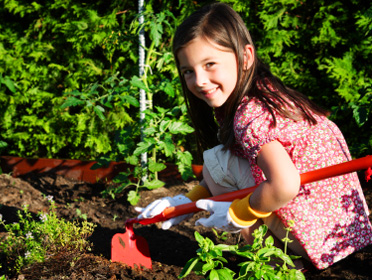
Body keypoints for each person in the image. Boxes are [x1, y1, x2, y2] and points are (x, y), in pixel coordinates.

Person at [135, 2, 372, 270]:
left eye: (210, 64)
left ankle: (270, 264)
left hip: (315, 233)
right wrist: (185, 202)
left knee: (216, 160)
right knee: (221, 160)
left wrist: (239, 213)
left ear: (245, 57)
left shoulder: (250, 114)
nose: (199, 80)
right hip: (345, 233)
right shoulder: (267, 94)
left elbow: (284, 185)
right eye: (189, 71)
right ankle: (284, 256)